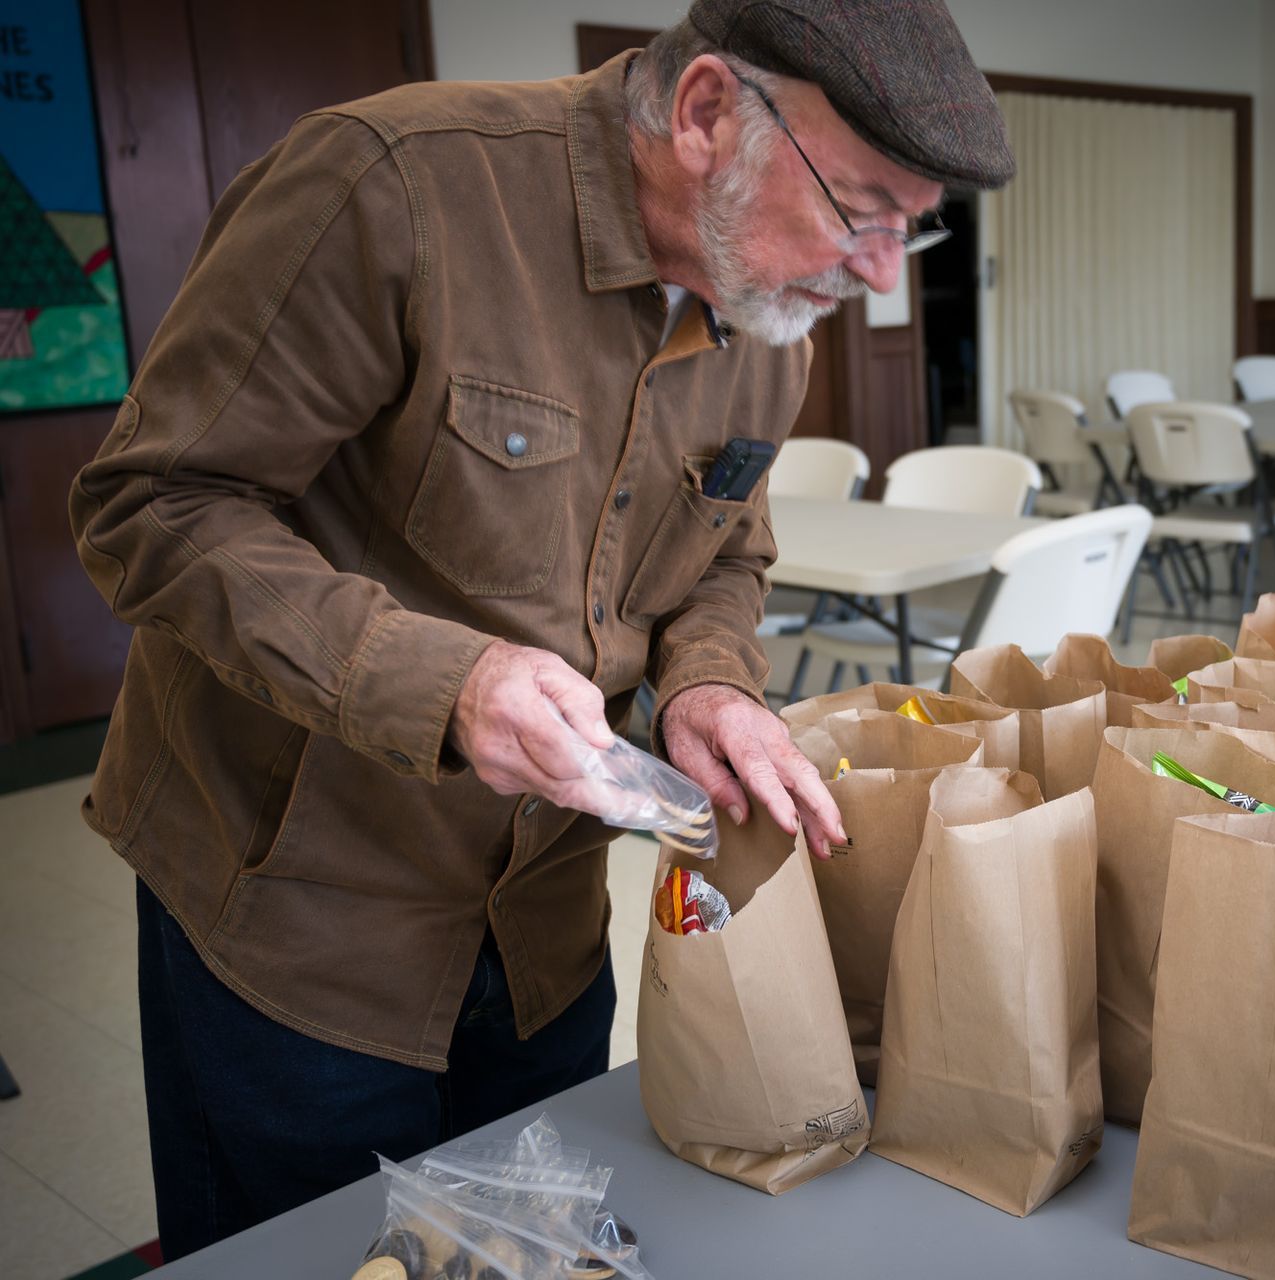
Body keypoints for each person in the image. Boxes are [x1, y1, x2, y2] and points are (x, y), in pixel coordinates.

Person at [67, 0, 1012, 1259]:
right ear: (706, 113)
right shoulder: (395, 186)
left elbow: (724, 551)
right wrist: (444, 680)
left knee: (531, 1246)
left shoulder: (767, 317)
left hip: (548, 931)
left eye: (919, 222)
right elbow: (153, 501)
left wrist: (707, 685)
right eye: (861, 209)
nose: (887, 271)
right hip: (298, 926)